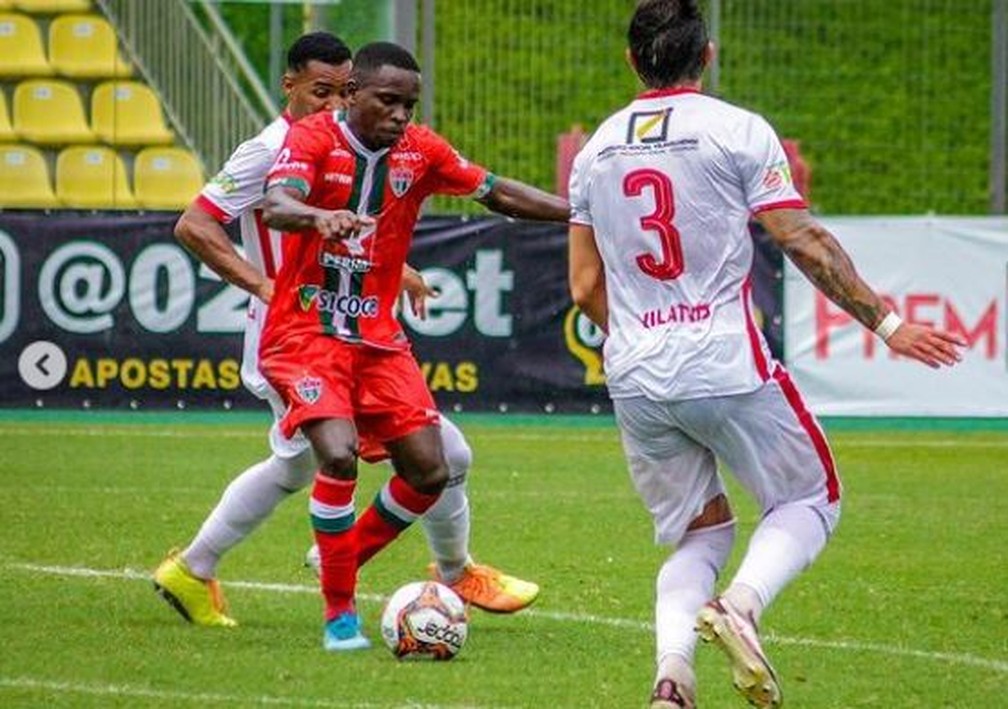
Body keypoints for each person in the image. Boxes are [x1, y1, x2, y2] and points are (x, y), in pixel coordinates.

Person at [567, 1, 965, 707]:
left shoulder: (596, 150)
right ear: (708, 55)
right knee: (811, 496)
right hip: (723, 359)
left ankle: (671, 677)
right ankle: (742, 605)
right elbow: (801, 240)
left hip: (634, 372)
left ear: (632, 60)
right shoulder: (737, 130)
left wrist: (638, 332)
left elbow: (583, 285)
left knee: (701, 529)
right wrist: (887, 322)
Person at [154, 32, 539, 630]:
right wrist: (262, 286)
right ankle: (446, 570)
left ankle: (201, 567)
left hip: (345, 330)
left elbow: (356, 229)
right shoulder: (272, 148)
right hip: (296, 335)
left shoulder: (356, 144)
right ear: (291, 86)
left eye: (342, 91)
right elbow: (195, 224)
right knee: (444, 454)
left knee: (296, 468)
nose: (334, 104)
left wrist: (398, 269)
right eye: (321, 91)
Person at [260, 40, 570, 651]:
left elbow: (497, 191)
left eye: (409, 104)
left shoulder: (420, 150)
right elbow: (276, 205)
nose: (401, 115)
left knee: (432, 469)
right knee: (339, 455)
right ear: (352, 95)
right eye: (387, 101)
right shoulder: (314, 139)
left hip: (377, 336)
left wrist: (581, 212)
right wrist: (317, 218)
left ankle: (338, 557)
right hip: (306, 330)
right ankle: (339, 616)